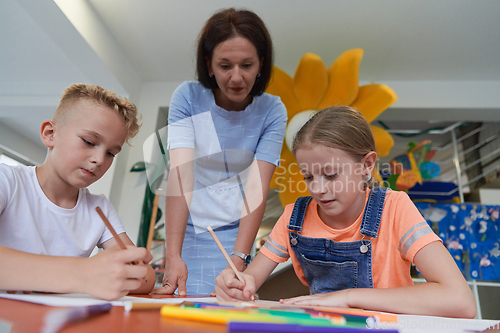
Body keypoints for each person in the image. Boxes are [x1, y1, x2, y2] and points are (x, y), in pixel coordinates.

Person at [215, 106, 477, 318]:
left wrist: (348, 298)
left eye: (330, 175)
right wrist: (236, 286)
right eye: (308, 177)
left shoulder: (395, 208)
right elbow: (249, 281)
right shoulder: (294, 217)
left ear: (366, 164)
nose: (318, 189)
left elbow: (460, 301)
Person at [153, 8, 287, 296]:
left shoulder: (272, 111)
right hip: (185, 225)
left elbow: (257, 188)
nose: (236, 78)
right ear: (209, 65)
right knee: (182, 305)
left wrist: (239, 260)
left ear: (261, 64)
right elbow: (180, 176)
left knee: (229, 303)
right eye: (225, 66)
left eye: (247, 65)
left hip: (237, 231)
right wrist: (173, 255)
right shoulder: (188, 97)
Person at [0, 83, 156, 300]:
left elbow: (146, 277)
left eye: (111, 153)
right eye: (89, 142)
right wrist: (83, 274)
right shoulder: (7, 181)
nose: (99, 160)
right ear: (50, 134)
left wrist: (125, 271)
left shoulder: (99, 208)